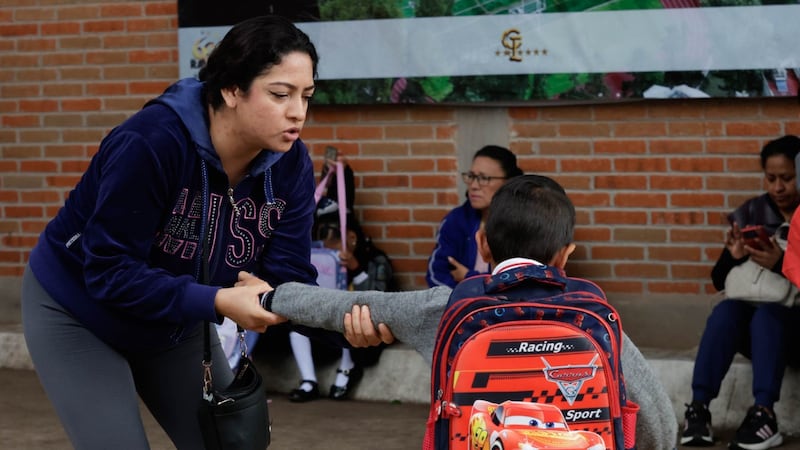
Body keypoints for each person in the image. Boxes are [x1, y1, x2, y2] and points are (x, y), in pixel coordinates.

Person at [21, 16, 325, 449]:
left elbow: (287, 276)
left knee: (236, 445)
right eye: (280, 94)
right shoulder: (151, 143)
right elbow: (109, 273)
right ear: (232, 89)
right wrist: (217, 300)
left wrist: (353, 319)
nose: (298, 111)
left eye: (306, 96)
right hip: (78, 311)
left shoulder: (291, 164)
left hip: (176, 319)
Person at [243, 174, 679, 449]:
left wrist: (268, 297)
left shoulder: (448, 307)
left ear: (483, 244)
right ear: (566, 255)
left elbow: (342, 306)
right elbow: (661, 430)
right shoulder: (596, 320)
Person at [680, 135, 800, 449]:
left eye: (787, 178)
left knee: (768, 316)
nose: (778, 187)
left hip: (792, 327)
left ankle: (764, 414)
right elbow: (720, 281)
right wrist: (733, 257)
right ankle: (699, 409)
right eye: (771, 178)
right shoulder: (753, 212)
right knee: (726, 311)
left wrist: (781, 263)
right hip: (760, 332)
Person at [288, 209, 395, 402]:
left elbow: (380, 298)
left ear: (351, 238)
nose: (329, 252)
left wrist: (356, 268)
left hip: (362, 331)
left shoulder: (375, 260)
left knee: (348, 319)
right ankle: (308, 381)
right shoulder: (320, 261)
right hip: (327, 327)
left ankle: (346, 369)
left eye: (333, 246)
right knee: (297, 329)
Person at [425, 145, 523, 288]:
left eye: (484, 178)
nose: (474, 185)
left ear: (508, 183)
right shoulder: (456, 220)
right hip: (461, 308)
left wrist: (468, 277)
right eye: (471, 176)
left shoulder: (522, 224)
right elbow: (436, 275)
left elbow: (519, 283)